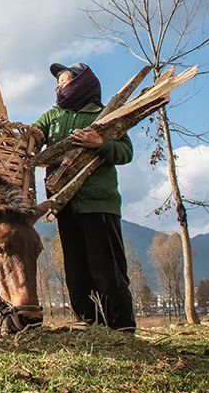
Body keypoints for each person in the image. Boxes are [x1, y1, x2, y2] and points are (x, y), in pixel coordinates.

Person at [33, 62, 136, 331]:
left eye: (64, 81)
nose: (58, 87)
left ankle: (121, 328)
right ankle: (88, 325)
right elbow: (33, 135)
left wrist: (101, 144)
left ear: (82, 83)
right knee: (76, 269)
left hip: (98, 204)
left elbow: (126, 152)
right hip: (64, 205)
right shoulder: (52, 117)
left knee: (107, 268)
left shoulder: (105, 115)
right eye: (57, 84)